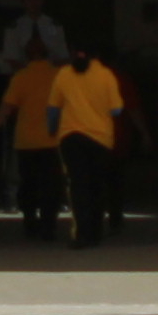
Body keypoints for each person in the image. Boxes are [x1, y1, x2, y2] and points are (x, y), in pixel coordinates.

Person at [48, 42, 129, 247]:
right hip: (100, 139)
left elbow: (53, 108)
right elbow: (117, 109)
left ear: (73, 54)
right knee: (97, 186)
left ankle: (81, 234)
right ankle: (96, 233)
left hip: (70, 138)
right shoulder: (106, 75)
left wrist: (51, 129)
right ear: (97, 55)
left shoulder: (64, 73)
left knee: (78, 187)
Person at [0, 30, 67, 240]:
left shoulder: (21, 77)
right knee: (51, 185)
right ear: (48, 54)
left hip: (25, 142)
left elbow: (6, 108)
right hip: (52, 141)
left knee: (28, 184)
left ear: (26, 55)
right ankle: (48, 226)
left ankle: (30, 222)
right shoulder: (58, 75)